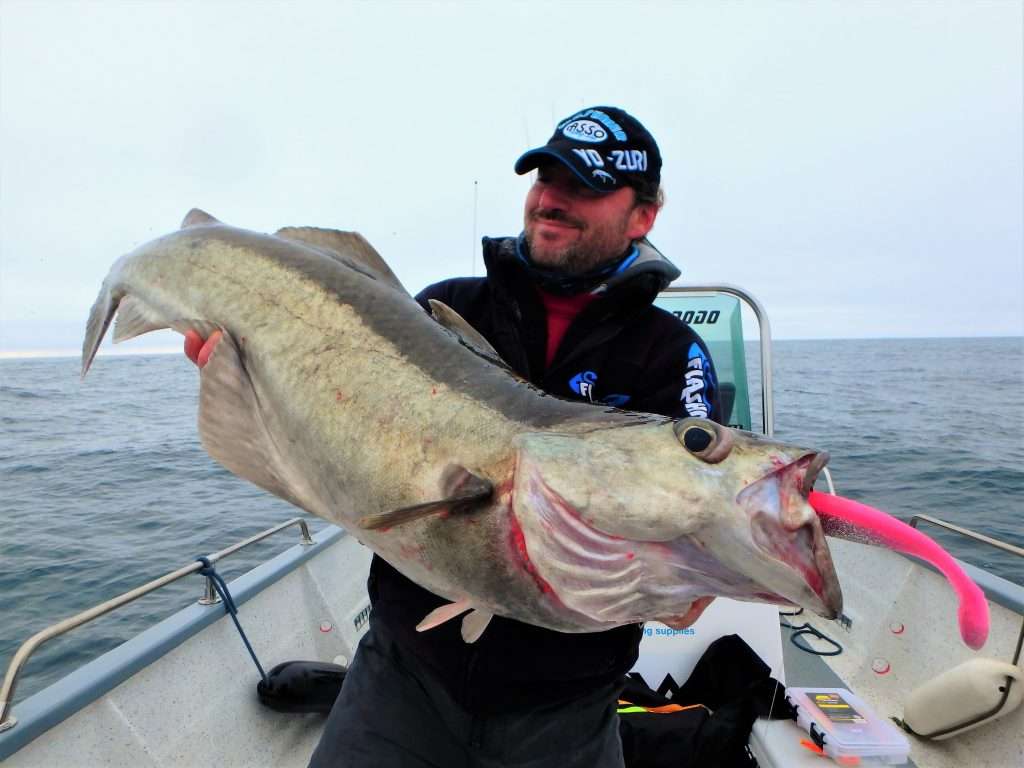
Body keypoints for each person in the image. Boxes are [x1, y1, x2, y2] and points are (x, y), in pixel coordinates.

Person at [185, 106, 721, 767]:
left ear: (643, 215)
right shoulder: (448, 309)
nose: (552, 199)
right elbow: (350, 429)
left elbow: (690, 535)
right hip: (402, 675)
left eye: (584, 187)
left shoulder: (670, 354)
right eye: (545, 179)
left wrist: (697, 571)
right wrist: (248, 376)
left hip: (566, 708)